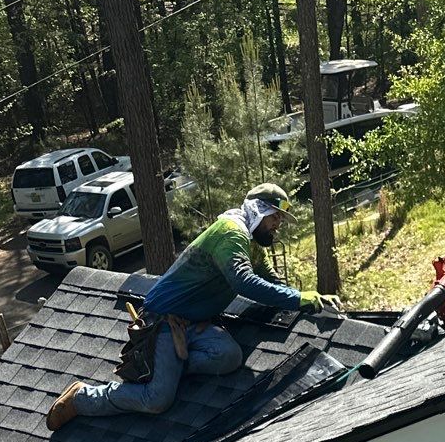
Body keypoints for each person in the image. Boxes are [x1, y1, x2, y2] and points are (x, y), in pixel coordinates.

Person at [45, 182, 342, 428]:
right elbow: (243, 281)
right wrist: (298, 299)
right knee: (157, 400)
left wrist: (310, 300)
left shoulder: (251, 243)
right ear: (259, 210)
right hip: (164, 321)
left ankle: (171, 366)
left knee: (229, 356)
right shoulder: (231, 232)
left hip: (195, 324)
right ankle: (82, 398)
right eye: (275, 217)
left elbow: (270, 279)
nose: (278, 225)